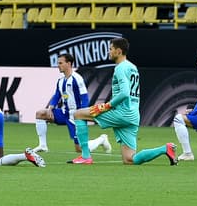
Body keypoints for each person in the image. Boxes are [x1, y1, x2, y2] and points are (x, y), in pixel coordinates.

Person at [71, 37, 177, 166]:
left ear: (118, 51)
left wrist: (106, 105)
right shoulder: (132, 67)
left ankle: (85, 156)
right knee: (129, 159)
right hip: (132, 115)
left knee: (78, 114)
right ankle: (165, 149)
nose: (109, 52)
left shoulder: (120, 68)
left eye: (111, 49)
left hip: (121, 112)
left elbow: (125, 92)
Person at [33, 53, 103, 163]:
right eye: (58, 63)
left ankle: (101, 140)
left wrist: (83, 113)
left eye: (61, 63)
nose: (58, 65)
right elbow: (57, 95)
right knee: (40, 114)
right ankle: (43, 145)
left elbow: (84, 97)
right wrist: (51, 107)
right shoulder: (60, 81)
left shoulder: (77, 79)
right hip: (64, 113)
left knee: (79, 148)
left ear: (69, 64)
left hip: (76, 115)